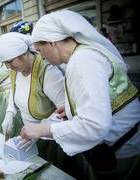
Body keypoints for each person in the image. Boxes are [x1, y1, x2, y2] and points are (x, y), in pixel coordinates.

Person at [28, 10, 140, 179]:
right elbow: (105, 94)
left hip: (121, 150)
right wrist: (73, 107)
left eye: (40, 50)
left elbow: (94, 125)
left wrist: (43, 129)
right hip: (121, 143)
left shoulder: (83, 61)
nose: (42, 58)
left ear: (52, 43)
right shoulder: (84, 54)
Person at [0, 32, 81, 176]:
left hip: (52, 139)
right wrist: (10, 113)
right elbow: (14, 92)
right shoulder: (16, 70)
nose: (8, 67)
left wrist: (40, 130)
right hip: (30, 134)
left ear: (23, 54)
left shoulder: (48, 72)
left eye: (10, 62)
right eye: (5, 63)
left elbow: (65, 110)